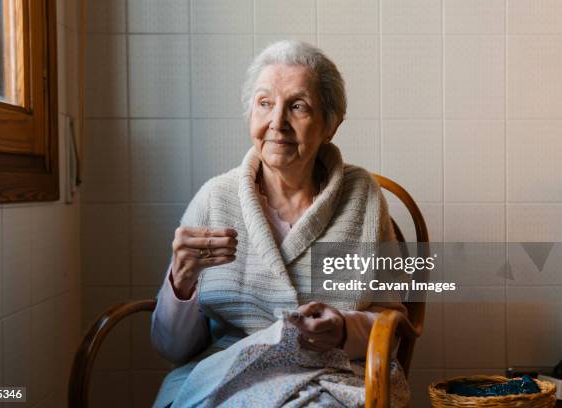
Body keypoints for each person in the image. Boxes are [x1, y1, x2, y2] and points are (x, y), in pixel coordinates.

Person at [151, 40, 409, 407]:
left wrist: (343, 329)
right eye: (265, 103)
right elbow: (172, 348)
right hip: (227, 376)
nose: (277, 123)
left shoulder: (362, 196)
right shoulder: (215, 198)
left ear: (330, 125)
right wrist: (181, 279)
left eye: (298, 106)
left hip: (333, 377)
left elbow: (391, 321)